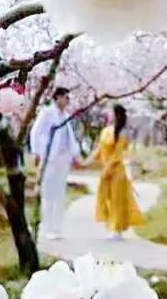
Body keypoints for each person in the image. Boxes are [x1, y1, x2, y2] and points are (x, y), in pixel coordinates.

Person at [29, 86, 81, 240]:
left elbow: (69, 138)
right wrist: (37, 152)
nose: (67, 101)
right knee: (48, 193)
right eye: (65, 97)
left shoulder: (65, 115)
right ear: (57, 97)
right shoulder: (47, 113)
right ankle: (46, 227)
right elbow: (36, 132)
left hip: (63, 159)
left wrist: (75, 155)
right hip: (50, 158)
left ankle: (56, 228)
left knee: (60, 193)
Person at [89, 104, 144, 239]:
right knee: (106, 199)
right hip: (105, 171)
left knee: (117, 200)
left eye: (111, 112)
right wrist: (85, 162)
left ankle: (117, 229)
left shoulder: (122, 133)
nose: (109, 115)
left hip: (117, 171)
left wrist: (108, 168)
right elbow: (99, 150)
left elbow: (117, 155)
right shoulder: (105, 131)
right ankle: (110, 226)